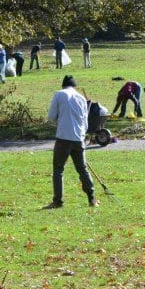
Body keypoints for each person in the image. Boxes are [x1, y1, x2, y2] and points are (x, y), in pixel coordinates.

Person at [45, 75, 97, 208]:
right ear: (75, 86)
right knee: (82, 169)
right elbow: (85, 123)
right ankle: (92, 198)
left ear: (63, 85)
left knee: (58, 170)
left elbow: (51, 117)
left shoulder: (59, 94)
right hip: (79, 139)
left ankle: (58, 201)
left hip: (63, 138)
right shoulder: (81, 98)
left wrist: (60, 121)